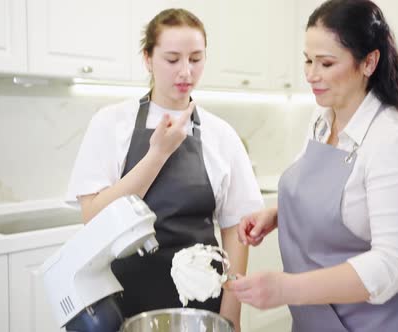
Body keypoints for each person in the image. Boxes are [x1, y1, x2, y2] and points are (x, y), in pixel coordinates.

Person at [226, 0, 398, 331]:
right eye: (307, 60)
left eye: (326, 63)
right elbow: (341, 203)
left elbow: (397, 263)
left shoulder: (397, 142)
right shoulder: (321, 121)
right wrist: (278, 214)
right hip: (317, 320)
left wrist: (285, 288)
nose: (311, 74)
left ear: (369, 62)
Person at [66, 8, 262, 331]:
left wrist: (231, 314)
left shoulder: (221, 134)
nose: (186, 71)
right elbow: (93, 217)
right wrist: (156, 154)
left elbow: (236, 229)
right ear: (147, 58)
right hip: (124, 302)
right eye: (172, 59)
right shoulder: (111, 123)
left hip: (201, 305)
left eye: (196, 59)